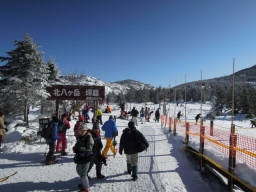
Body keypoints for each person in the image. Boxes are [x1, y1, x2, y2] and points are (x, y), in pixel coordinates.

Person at [73, 124, 94, 192]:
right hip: (80, 156)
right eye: (80, 131)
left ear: (86, 131)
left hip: (86, 157)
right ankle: (83, 183)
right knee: (79, 170)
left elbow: (89, 148)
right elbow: (77, 144)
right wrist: (75, 148)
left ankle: (86, 187)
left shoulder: (89, 137)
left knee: (84, 173)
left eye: (82, 131)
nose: (81, 132)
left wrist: (79, 149)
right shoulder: (80, 137)